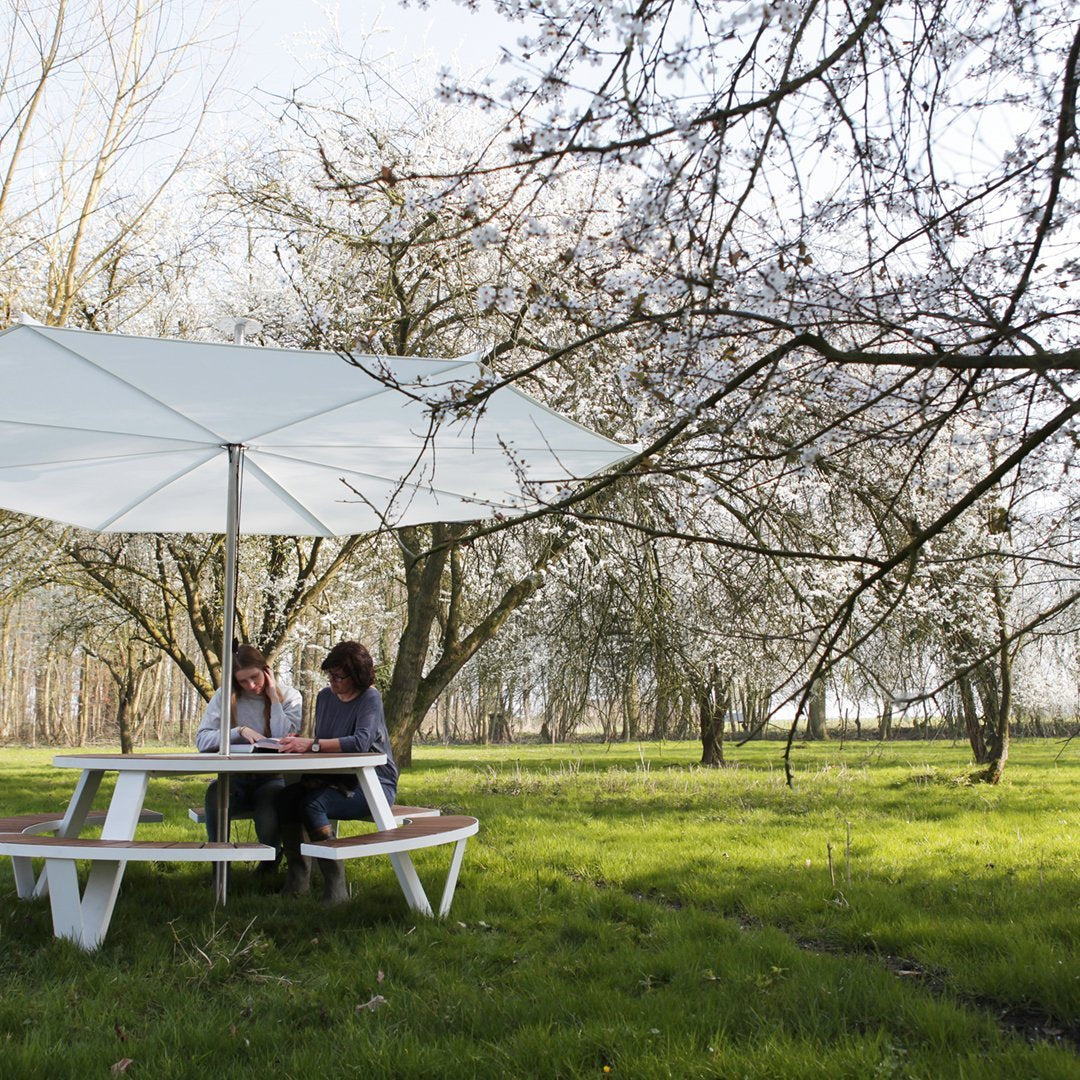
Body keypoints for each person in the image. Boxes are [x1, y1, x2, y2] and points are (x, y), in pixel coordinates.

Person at [275, 640, 398, 903]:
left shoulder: (370, 698)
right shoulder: (324, 697)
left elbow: (361, 742)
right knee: (286, 798)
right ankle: (298, 878)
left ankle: (335, 885)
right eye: (329, 674)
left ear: (357, 676)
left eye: (339, 675)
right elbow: (324, 742)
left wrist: (312, 745)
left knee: (312, 805)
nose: (332, 680)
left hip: (372, 785)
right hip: (333, 778)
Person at [194, 644, 302, 870]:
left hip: (272, 778)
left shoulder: (290, 696)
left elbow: (284, 738)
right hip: (234, 778)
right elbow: (202, 741)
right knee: (215, 794)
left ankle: (269, 865)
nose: (251, 686)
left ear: (266, 670)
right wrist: (238, 731)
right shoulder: (226, 696)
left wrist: (273, 697)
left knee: (268, 811)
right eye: (243, 681)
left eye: (254, 677)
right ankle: (219, 865)